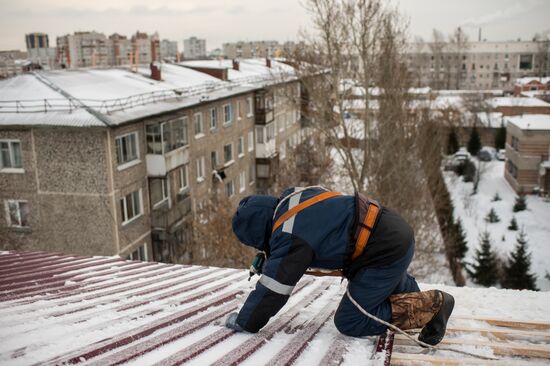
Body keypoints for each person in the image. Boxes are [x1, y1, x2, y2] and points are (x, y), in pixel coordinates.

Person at [225, 186, 454, 345]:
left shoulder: (288, 235)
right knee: (393, 292)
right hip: (388, 231)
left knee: (350, 320)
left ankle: (433, 305)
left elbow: (274, 289)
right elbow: (324, 226)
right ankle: (415, 298)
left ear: (258, 234)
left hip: (380, 250)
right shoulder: (294, 197)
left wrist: (246, 322)